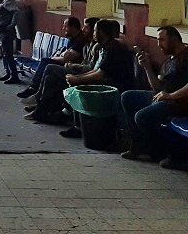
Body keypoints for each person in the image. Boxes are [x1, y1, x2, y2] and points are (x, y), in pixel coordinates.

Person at [26, 19, 133, 123]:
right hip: (101, 79)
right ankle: (46, 109)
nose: (93, 34)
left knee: (51, 68)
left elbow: (100, 74)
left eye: (95, 31)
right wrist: (76, 78)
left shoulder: (113, 49)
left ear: (101, 32)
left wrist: (78, 79)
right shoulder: (104, 47)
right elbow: (97, 70)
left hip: (109, 85)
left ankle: (54, 111)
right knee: (51, 76)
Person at [120, 26, 188, 167]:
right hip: (164, 97)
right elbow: (157, 88)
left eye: (162, 40)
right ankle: (138, 146)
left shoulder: (186, 57)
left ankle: (167, 151)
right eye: (157, 40)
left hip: (179, 102)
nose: (159, 44)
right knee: (128, 97)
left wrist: (170, 95)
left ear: (174, 39)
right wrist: (147, 67)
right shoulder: (169, 60)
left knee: (142, 116)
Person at [17, 17, 86, 99]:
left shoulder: (80, 40)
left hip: (72, 66)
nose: (63, 28)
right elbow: (65, 55)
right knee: (47, 66)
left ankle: (35, 90)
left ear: (73, 27)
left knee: (46, 62)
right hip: (66, 63)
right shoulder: (72, 39)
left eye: (65, 26)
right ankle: (37, 93)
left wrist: (53, 58)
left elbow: (65, 58)